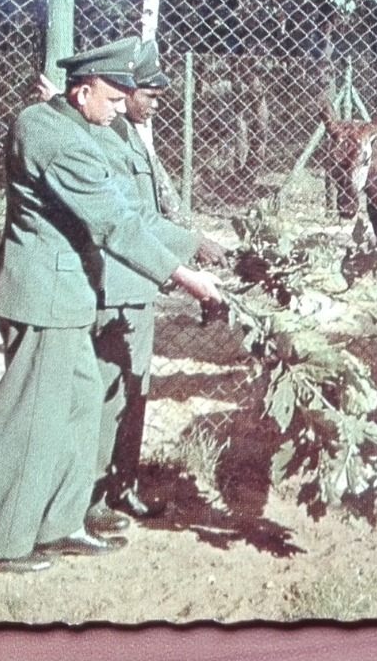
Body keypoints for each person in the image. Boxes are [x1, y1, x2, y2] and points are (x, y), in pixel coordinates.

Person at [0, 39, 223, 574]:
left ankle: (58, 524)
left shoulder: (79, 127)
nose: (124, 103)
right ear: (83, 93)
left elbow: (133, 214)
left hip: (67, 296)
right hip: (44, 297)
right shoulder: (53, 134)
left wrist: (196, 246)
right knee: (34, 419)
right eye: (115, 93)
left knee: (79, 412)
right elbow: (116, 224)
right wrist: (187, 279)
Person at [82, 39, 229, 528]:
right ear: (123, 88)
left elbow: (151, 208)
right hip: (117, 283)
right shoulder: (107, 134)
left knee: (133, 392)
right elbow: (132, 218)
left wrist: (194, 243)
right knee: (110, 396)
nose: (153, 103)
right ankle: (93, 500)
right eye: (147, 93)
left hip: (138, 284)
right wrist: (192, 249)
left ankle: (121, 487)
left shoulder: (127, 131)